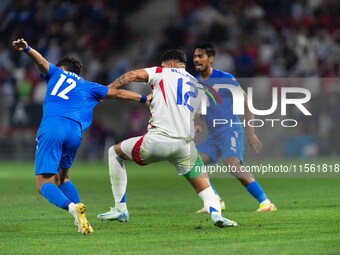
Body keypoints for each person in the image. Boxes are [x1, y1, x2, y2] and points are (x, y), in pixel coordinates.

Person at [11, 38, 151, 235]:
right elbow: (118, 93)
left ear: (63, 68)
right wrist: (144, 98)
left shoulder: (56, 73)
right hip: (75, 132)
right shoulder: (89, 86)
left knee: (43, 182)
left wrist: (26, 48)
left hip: (54, 125)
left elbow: (41, 62)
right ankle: (81, 214)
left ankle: (72, 208)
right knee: (63, 177)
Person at [97, 49, 238, 228]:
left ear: (170, 64)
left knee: (114, 152)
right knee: (204, 186)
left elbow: (131, 75)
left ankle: (120, 209)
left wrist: (107, 89)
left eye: (163, 64)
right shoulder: (197, 85)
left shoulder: (160, 72)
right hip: (185, 146)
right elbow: (186, 109)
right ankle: (217, 215)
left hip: (158, 141)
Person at [193, 42, 277, 213]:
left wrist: (251, 132)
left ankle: (266, 202)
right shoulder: (195, 82)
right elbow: (198, 109)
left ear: (211, 59)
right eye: (194, 56)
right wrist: (198, 124)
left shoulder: (225, 78)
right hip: (214, 135)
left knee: (232, 165)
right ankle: (215, 201)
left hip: (230, 129)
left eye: (200, 56)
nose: (196, 59)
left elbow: (246, 104)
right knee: (194, 162)